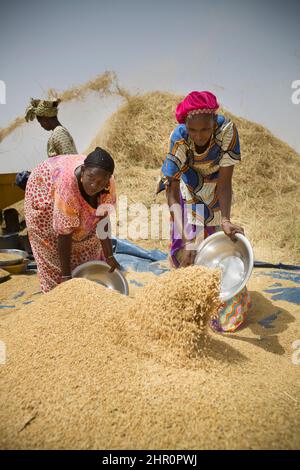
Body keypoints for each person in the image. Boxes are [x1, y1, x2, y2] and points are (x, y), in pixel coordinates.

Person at [157, 91, 250, 332]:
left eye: (205, 130)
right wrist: (188, 236)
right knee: (187, 248)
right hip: (189, 189)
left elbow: (225, 182)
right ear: (185, 125)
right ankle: (185, 308)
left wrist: (227, 219)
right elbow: (172, 192)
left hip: (216, 189)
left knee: (217, 242)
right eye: (193, 131)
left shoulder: (227, 131)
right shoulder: (178, 138)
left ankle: (219, 306)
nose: (198, 136)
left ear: (214, 122)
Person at [24, 147, 120, 293]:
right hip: (44, 187)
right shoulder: (67, 186)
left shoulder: (108, 183)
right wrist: (66, 275)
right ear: (83, 171)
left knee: (89, 243)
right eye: (91, 178)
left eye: (101, 182)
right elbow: (64, 233)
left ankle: (82, 283)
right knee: (53, 253)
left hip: (65, 192)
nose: (94, 186)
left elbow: (103, 220)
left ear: (108, 180)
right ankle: (57, 294)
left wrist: (109, 256)